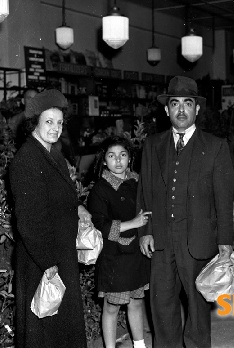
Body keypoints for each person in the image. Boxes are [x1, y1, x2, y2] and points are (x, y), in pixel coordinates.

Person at [138, 76, 234, 348]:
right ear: (166, 109)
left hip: (199, 240)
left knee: (198, 308)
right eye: (175, 104)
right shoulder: (152, 145)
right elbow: (145, 192)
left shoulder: (215, 147)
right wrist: (146, 231)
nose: (181, 110)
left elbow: (224, 200)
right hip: (162, 239)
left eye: (187, 104)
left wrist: (224, 243)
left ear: (197, 109)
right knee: (162, 306)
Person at [9, 89, 90, 348]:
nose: (55, 128)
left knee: (61, 324)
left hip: (59, 252)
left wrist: (79, 208)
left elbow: (60, 196)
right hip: (41, 258)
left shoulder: (53, 152)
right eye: (48, 122)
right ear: (35, 123)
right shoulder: (27, 159)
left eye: (59, 123)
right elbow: (29, 219)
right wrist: (48, 262)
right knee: (44, 328)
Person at [87, 136, 151, 348]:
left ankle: (140, 344)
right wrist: (133, 223)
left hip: (136, 253)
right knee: (112, 306)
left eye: (123, 155)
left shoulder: (137, 182)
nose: (118, 160)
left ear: (129, 158)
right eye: (112, 156)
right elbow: (101, 226)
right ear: (104, 160)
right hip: (114, 257)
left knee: (136, 301)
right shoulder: (100, 189)